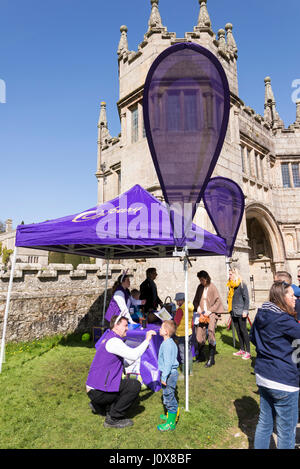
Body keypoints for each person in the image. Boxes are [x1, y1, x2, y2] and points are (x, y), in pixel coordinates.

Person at [250, 281, 300, 449]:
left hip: (264, 375)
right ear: (281, 297)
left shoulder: (262, 312)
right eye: (291, 295)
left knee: (264, 424)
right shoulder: (283, 319)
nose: (295, 299)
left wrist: (269, 349)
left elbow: (253, 338)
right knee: (286, 431)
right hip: (283, 380)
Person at [86, 314, 156, 428]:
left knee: (126, 384)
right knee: (134, 385)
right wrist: (147, 340)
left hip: (95, 388)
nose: (127, 328)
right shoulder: (113, 341)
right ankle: (113, 418)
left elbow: (126, 362)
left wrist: (141, 351)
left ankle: (100, 406)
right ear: (116, 326)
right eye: (125, 325)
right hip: (97, 391)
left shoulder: (111, 338)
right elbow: (133, 355)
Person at [194, 271, 224, 368]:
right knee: (199, 334)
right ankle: (201, 355)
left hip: (211, 314)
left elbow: (218, 301)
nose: (201, 282)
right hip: (202, 314)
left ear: (206, 278)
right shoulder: (199, 287)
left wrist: (210, 311)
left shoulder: (212, 287)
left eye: (202, 280)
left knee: (210, 332)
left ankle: (211, 359)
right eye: (200, 280)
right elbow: (196, 300)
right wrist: (198, 307)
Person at [157, 320, 179, 432]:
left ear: (165, 332)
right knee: (168, 394)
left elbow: (168, 363)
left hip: (169, 374)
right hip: (170, 373)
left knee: (169, 397)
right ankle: (169, 415)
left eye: (161, 328)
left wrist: (164, 377)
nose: (159, 329)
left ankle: (171, 423)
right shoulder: (170, 342)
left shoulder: (167, 345)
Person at [227, 267, 251, 360]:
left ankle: (248, 351)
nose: (229, 276)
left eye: (230, 274)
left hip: (241, 312)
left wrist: (245, 310)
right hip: (233, 311)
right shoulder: (230, 286)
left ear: (235, 274)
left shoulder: (242, 285)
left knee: (243, 331)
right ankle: (242, 349)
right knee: (238, 331)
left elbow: (247, 299)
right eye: (229, 274)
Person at [173, 292, 194, 379]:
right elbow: (191, 322)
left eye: (178, 301)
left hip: (181, 334)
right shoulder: (189, 307)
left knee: (182, 353)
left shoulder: (180, 310)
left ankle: (185, 372)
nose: (177, 303)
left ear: (181, 300)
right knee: (188, 352)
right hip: (189, 332)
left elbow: (176, 322)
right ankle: (190, 371)